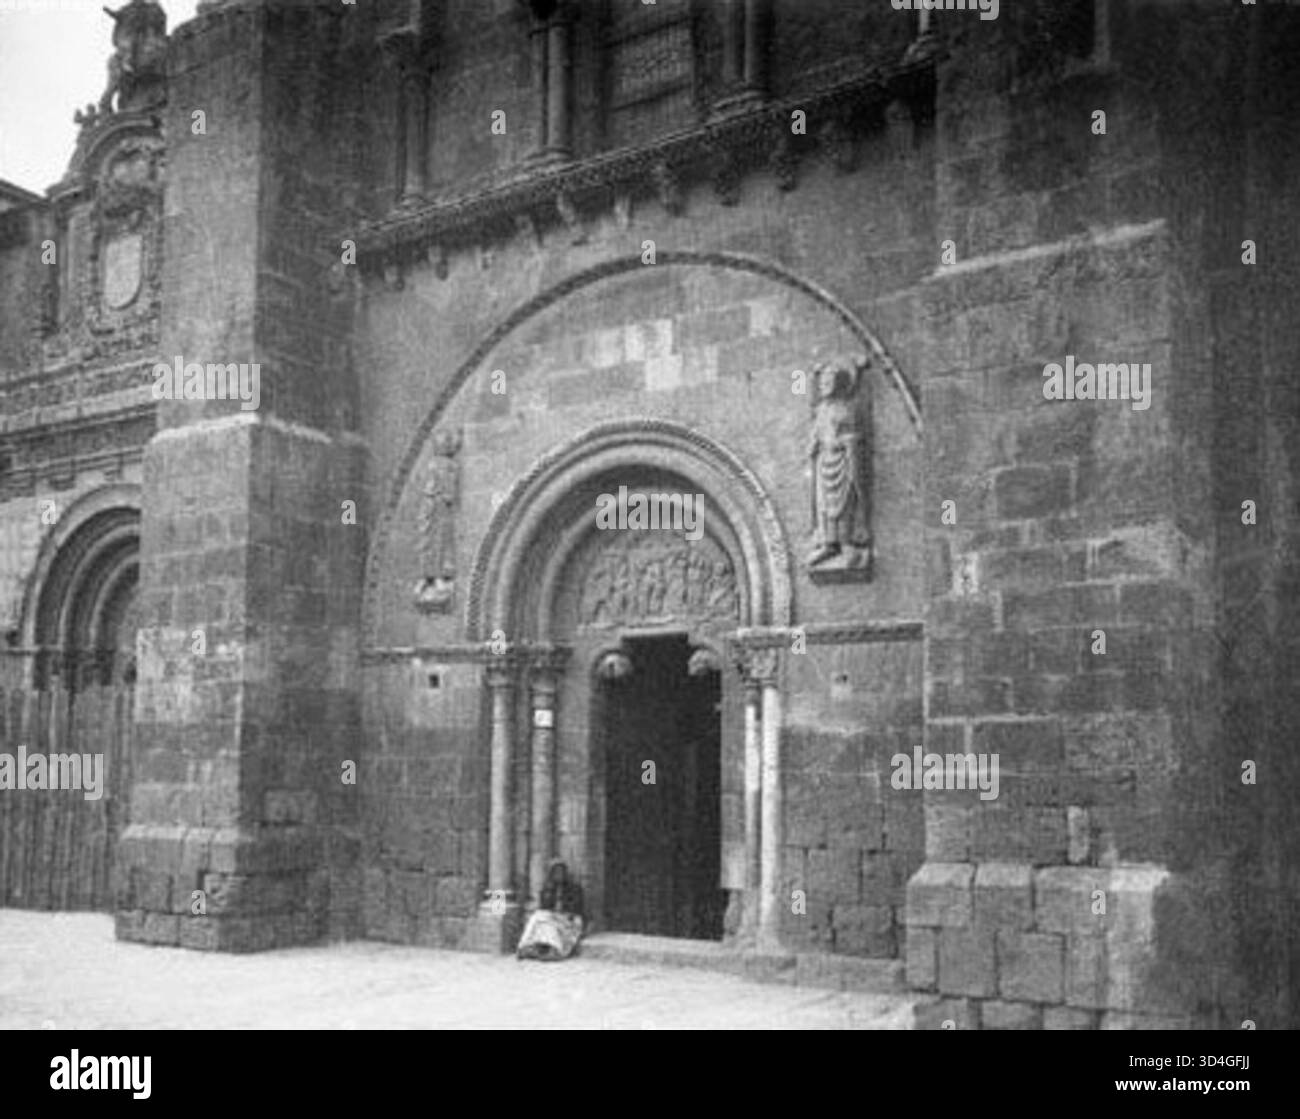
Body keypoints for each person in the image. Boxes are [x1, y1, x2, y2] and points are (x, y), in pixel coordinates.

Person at [516, 860, 585, 961]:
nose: (559, 875)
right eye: (556, 872)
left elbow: (576, 908)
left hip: (568, 919)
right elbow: (544, 906)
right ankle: (525, 946)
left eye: (561, 872)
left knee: (542, 920)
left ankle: (556, 950)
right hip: (552, 918)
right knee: (539, 918)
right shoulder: (548, 888)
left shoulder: (574, 888)